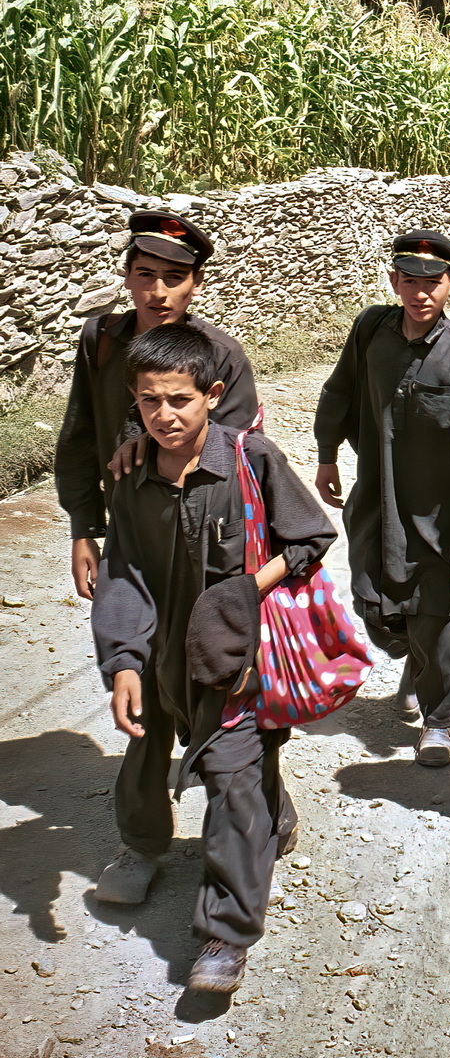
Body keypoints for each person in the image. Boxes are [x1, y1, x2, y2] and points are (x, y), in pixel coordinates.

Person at [91, 324, 336, 992]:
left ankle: (225, 936)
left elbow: (312, 536)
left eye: (180, 400)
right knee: (177, 760)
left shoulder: (252, 461)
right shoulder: (136, 479)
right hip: (164, 661)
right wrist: (123, 664)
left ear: (213, 394)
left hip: (239, 662)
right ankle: (208, 829)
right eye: (149, 403)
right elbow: (125, 576)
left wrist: (244, 590)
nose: (165, 416)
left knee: (232, 785)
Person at [313, 230, 450, 767]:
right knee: (378, 608)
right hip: (378, 501)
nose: (420, 292)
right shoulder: (371, 331)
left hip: (442, 513)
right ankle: (415, 660)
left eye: (432, 282)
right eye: (409, 280)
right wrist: (327, 453)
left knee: (439, 613)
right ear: (393, 281)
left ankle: (440, 722)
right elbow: (339, 389)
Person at [55, 211, 258, 602]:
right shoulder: (101, 340)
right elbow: (79, 437)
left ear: (196, 284)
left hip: (203, 533)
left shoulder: (222, 355)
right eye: (146, 274)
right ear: (128, 277)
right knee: (129, 645)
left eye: (175, 277)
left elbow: (243, 452)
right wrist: (84, 530)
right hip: (125, 531)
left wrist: (151, 443)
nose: (159, 293)